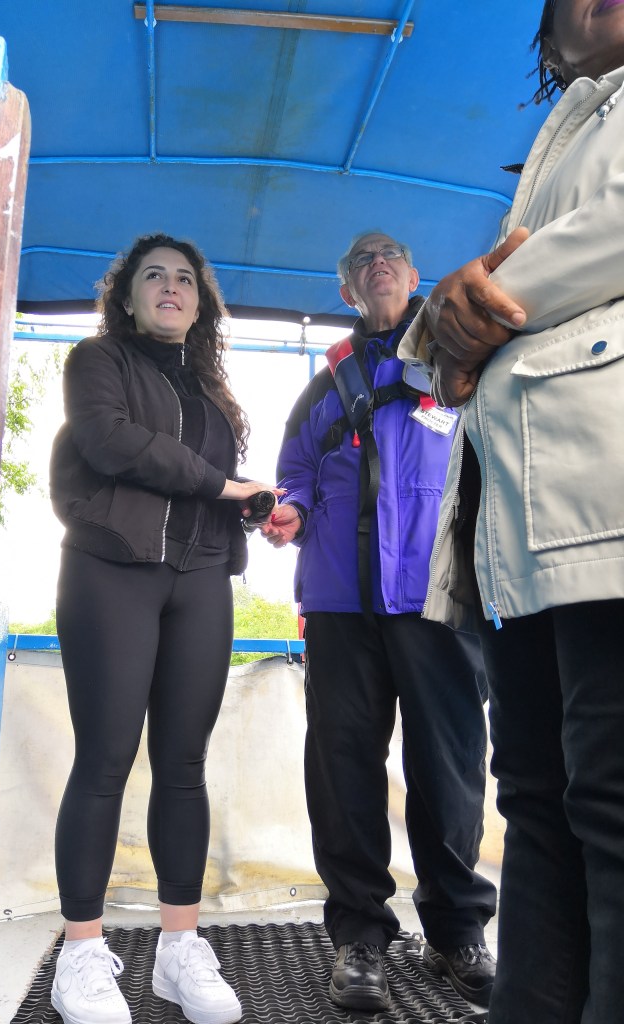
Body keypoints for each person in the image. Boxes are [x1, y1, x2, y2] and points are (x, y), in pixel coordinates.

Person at [398, 4, 624, 1021]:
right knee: (535, 799)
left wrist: (454, 318)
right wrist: (455, 330)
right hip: (524, 532)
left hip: (607, 509)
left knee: (610, 800)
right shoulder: (563, 140)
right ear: (547, 44)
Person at [48, 233, 281, 1024]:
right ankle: (82, 954)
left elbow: (212, 490)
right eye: (154, 276)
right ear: (127, 295)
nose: (171, 286)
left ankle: (179, 950)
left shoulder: (211, 393)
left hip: (201, 578)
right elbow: (112, 444)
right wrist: (225, 485)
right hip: (112, 568)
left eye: (185, 278)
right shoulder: (97, 361)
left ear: (201, 302)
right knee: (105, 759)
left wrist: (255, 507)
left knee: (184, 764)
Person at [262, 231, 498, 1012]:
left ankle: (457, 932)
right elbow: (295, 470)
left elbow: (496, 450)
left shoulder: (460, 355)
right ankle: (359, 938)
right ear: (347, 291)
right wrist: (291, 509)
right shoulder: (326, 382)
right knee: (343, 771)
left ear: (414, 274)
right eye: (362, 261)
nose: (378, 265)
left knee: (450, 768)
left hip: (439, 593)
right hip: (339, 601)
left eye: (390, 254)